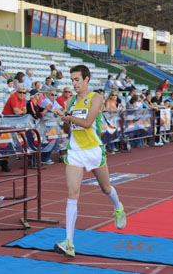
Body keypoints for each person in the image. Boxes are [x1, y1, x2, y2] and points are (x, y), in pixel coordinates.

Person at [54, 65, 126, 258]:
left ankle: (118, 207)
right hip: (75, 152)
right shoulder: (70, 102)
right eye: (72, 80)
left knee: (106, 188)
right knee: (72, 194)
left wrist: (68, 117)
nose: (74, 84)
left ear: (86, 79)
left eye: (77, 79)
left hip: (94, 150)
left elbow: (87, 124)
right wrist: (64, 120)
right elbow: (69, 130)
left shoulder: (96, 98)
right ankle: (69, 242)